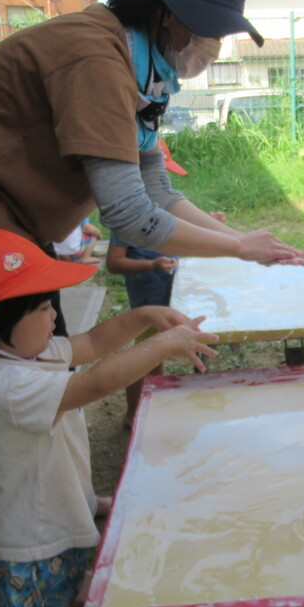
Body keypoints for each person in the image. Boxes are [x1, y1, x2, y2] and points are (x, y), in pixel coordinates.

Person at [0, 0, 297, 340]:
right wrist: (238, 248)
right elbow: (132, 217)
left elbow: (155, 187)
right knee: (15, 371)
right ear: (168, 12)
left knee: (46, 352)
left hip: (14, 223)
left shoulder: (146, 70)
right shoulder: (95, 59)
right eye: (211, 29)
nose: (214, 45)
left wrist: (240, 240)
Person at [0, 227, 218, 607]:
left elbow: (93, 344)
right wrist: (160, 346)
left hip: (61, 516)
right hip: (33, 542)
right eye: (42, 310)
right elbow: (94, 381)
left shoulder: (26, 354)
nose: (54, 320)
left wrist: (144, 315)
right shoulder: (4, 387)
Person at [105, 139, 187, 428]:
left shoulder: (162, 205)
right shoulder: (129, 215)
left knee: (158, 351)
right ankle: (133, 415)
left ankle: (152, 408)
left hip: (166, 290)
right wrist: (152, 264)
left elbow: (180, 233)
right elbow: (114, 261)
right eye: (157, 178)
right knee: (147, 353)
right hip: (147, 295)